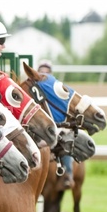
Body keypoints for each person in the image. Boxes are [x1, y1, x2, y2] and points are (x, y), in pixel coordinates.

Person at [37, 59, 75, 190]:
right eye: (42, 72)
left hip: (56, 127)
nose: (45, 75)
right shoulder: (35, 91)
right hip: (40, 129)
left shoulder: (56, 90)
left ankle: (68, 175)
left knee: (65, 147)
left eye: (47, 73)